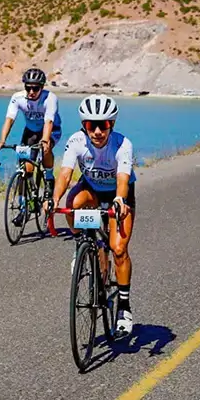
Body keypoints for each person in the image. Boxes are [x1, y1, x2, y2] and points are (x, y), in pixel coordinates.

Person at [50, 94, 137, 336]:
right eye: (91, 125)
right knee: (73, 203)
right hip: (92, 190)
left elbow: (122, 180)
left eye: (104, 125)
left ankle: (124, 307)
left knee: (118, 250)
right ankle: (83, 243)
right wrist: (53, 200)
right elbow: (65, 174)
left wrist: (120, 200)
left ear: (112, 125)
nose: (97, 131)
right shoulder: (76, 141)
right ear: (84, 126)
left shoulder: (123, 144)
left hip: (119, 195)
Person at [0, 67, 61, 225]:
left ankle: (49, 178)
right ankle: (24, 207)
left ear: (42, 87)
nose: (31, 91)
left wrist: (45, 141)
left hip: (50, 130)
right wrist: (2, 140)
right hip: (30, 132)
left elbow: (49, 122)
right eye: (28, 87)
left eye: (35, 88)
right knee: (25, 170)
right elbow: (9, 120)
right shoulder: (18, 98)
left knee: (46, 149)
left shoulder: (50, 98)